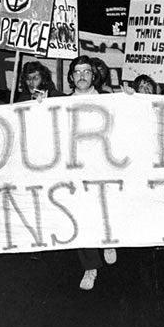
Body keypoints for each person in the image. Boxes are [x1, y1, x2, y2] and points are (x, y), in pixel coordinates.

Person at [66, 55, 116, 290]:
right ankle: (90, 267)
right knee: (80, 217)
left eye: (86, 72)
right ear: (71, 76)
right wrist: (38, 108)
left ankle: (107, 237)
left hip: (104, 167)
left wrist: (130, 100)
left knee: (104, 210)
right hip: (75, 169)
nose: (82, 76)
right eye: (77, 72)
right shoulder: (59, 103)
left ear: (93, 75)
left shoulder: (109, 99)